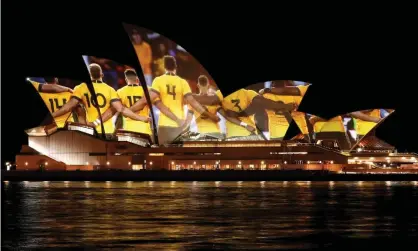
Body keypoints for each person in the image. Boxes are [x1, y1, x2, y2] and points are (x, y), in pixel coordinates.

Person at [129, 56, 219, 144]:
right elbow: (193, 103)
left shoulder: (158, 80)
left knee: (162, 157)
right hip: (179, 126)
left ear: (164, 67)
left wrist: (131, 110)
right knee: (177, 156)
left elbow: (147, 99)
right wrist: (210, 116)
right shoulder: (182, 82)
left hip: (164, 125)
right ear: (175, 67)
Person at [51, 64, 150, 137]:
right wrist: (141, 118)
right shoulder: (110, 90)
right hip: (108, 131)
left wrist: (52, 116)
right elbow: (120, 109)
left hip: (89, 131)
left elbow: (68, 107)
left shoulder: (81, 88)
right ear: (102, 75)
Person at [220, 88, 295, 139]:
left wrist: (239, 115)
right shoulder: (247, 93)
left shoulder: (218, 95)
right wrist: (285, 106)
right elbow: (260, 103)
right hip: (248, 133)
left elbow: (228, 116)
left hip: (240, 133)